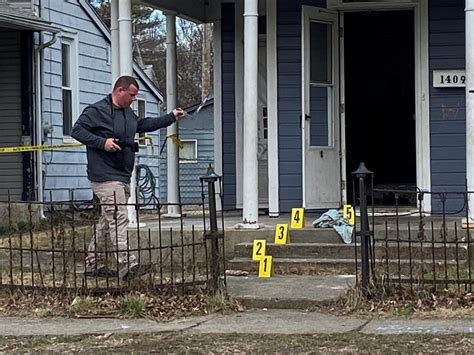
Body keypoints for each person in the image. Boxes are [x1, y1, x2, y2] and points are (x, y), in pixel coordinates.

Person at [71, 75, 185, 280]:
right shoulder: (96, 111)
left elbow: (143, 125)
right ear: (120, 91)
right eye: (132, 95)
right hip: (104, 175)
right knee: (119, 217)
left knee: (108, 219)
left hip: (122, 173)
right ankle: (127, 265)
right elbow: (77, 131)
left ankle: (93, 264)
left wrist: (171, 117)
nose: (134, 99)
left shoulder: (128, 114)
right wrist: (102, 142)